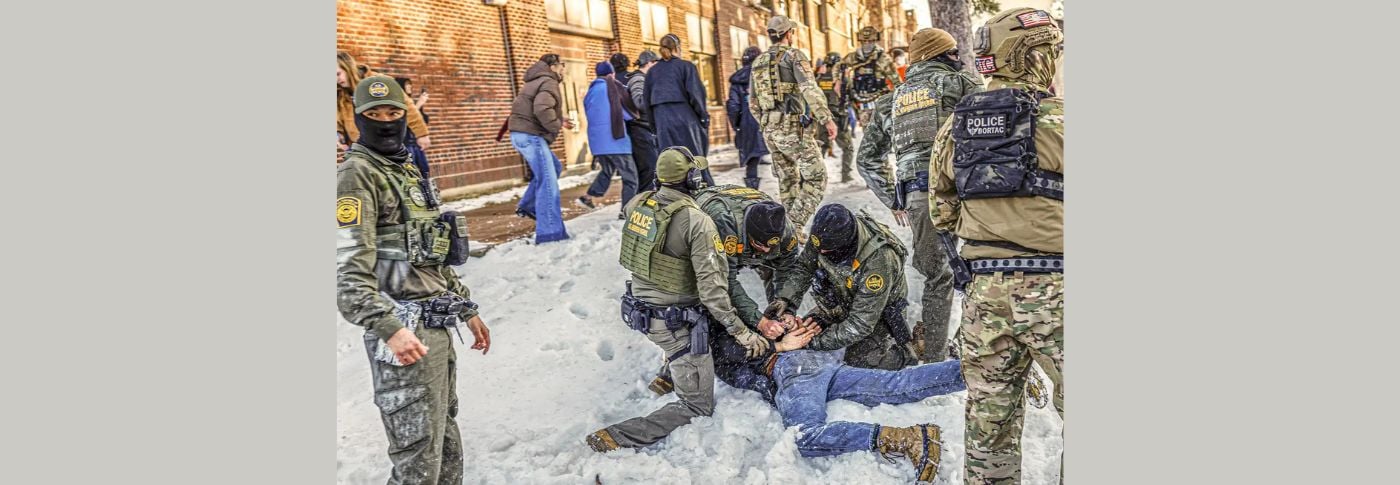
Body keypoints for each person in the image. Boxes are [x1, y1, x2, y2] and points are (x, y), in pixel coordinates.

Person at [928, 7, 1064, 483]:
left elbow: (941, 213)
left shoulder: (955, 128)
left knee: (990, 427)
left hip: (985, 298)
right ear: (1035, 55)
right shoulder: (1062, 121)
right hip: (1058, 294)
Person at [337, 75, 492, 485]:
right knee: (417, 460)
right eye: (374, 114)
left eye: (393, 113)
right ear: (358, 119)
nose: (385, 121)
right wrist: (388, 327)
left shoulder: (404, 170)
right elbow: (348, 268)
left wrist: (465, 307)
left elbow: (430, 254)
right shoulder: (358, 175)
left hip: (436, 323)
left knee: (443, 438)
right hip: (404, 332)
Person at [585, 148, 773, 453]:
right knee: (698, 405)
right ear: (692, 177)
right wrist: (743, 332)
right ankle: (619, 436)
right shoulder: (697, 222)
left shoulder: (639, 203)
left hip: (641, 309)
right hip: (673, 323)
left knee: (695, 321)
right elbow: (714, 291)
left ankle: (668, 374)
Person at [853, 28, 983, 364]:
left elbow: (867, 159)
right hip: (968, 190)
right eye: (953, 52)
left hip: (918, 196)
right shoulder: (961, 83)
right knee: (986, 264)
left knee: (938, 276)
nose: (958, 57)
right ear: (939, 55)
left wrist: (893, 198)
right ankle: (974, 344)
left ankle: (936, 358)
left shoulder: (891, 101)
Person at [759, 318, 964, 482]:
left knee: (804, 436)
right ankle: (976, 370)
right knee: (895, 385)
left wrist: (776, 348)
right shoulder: (767, 321)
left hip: (792, 366)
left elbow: (737, 364)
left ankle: (904, 438)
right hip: (818, 360)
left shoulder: (743, 333)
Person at [647, 188, 802, 402]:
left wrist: (786, 306)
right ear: (748, 234)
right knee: (700, 301)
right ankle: (675, 362)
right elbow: (723, 282)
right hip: (699, 245)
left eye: (770, 247)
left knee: (775, 294)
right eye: (759, 246)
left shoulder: (785, 232)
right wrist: (758, 320)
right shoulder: (723, 225)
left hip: (743, 236)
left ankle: (770, 339)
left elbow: (787, 270)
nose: (765, 252)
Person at [773, 203, 918, 371]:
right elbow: (805, 267)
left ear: (845, 243)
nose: (821, 253)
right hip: (841, 301)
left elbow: (860, 324)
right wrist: (786, 302)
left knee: (861, 361)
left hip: (877, 314)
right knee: (799, 331)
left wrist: (810, 342)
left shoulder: (878, 260)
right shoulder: (823, 235)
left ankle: (910, 350)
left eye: (826, 251)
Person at [749, 16, 837, 243]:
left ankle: (792, 234)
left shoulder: (757, 61)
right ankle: (792, 225)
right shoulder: (794, 56)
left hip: (769, 128)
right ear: (789, 33)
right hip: (791, 127)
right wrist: (826, 118)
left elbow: (753, 102)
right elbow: (809, 88)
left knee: (787, 180)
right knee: (817, 178)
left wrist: (767, 122)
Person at [508, 54, 574, 243]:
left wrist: (560, 121)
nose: (563, 69)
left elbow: (539, 107)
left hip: (521, 134)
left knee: (553, 168)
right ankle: (550, 233)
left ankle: (529, 206)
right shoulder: (548, 81)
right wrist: (554, 125)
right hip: (531, 136)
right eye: (562, 65)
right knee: (548, 181)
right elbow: (542, 109)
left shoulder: (536, 80)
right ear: (552, 66)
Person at [643, 34, 715, 185]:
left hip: (662, 121)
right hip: (686, 119)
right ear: (677, 47)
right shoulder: (686, 66)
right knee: (695, 160)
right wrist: (703, 117)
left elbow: (646, 103)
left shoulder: (652, 72)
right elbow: (696, 95)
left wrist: (654, 128)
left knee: (669, 163)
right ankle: (706, 193)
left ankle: (673, 194)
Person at [337, 52, 432, 158]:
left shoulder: (379, 82)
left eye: (337, 74)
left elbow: (406, 106)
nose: (336, 79)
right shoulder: (340, 92)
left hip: (384, 144)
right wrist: (338, 134)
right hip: (359, 148)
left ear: (348, 67)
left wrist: (421, 134)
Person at [578, 61, 641, 218]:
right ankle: (626, 212)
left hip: (597, 143)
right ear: (611, 74)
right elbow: (626, 114)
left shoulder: (591, 91)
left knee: (607, 170)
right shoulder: (613, 87)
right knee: (631, 178)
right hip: (615, 141)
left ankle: (588, 197)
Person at [725, 47, 770, 190]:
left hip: (748, 123)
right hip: (770, 121)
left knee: (752, 160)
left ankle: (753, 192)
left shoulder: (737, 80)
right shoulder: (766, 76)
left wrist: (737, 125)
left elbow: (733, 106)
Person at [615, 51, 659, 192]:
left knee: (649, 170)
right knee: (649, 169)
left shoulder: (643, 78)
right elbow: (640, 102)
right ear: (649, 63)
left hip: (643, 130)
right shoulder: (638, 79)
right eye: (656, 63)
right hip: (639, 130)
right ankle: (642, 205)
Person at [842, 27, 901, 126]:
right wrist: (838, 81)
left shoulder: (883, 58)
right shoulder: (853, 58)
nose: (867, 44)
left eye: (870, 41)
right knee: (868, 133)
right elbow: (839, 67)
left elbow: (897, 82)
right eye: (864, 41)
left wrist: (898, 101)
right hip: (862, 102)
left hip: (881, 100)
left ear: (875, 41)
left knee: (885, 132)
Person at [815, 52, 855, 183]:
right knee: (848, 147)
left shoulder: (818, 79)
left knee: (822, 147)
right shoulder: (843, 79)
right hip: (839, 118)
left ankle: (817, 177)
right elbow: (852, 95)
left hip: (823, 118)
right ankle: (846, 175)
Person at [395, 77, 433, 178]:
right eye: (407, 84)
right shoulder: (398, 103)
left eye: (410, 84)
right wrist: (419, 104)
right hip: (405, 143)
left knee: (425, 169)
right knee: (412, 171)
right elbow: (404, 120)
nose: (410, 87)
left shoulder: (413, 103)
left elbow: (424, 121)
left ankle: (427, 191)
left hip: (416, 144)